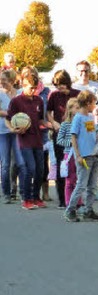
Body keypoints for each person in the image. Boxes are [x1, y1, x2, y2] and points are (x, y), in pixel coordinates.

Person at [5, 71, 47, 210]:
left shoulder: (38, 100)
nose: (33, 90)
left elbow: (41, 119)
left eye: (35, 88)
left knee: (40, 170)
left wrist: (51, 125)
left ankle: (36, 197)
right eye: (30, 87)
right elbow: (7, 119)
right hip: (24, 140)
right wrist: (13, 129)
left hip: (38, 139)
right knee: (30, 168)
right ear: (23, 85)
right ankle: (26, 199)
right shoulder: (16, 101)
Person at [63, 91, 98, 222]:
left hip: (93, 154)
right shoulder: (78, 118)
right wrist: (78, 155)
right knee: (81, 184)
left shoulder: (90, 117)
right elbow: (73, 136)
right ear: (87, 103)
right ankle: (70, 209)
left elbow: (90, 133)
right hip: (84, 156)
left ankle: (88, 209)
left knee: (93, 186)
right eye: (93, 102)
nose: (95, 105)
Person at [48, 70, 80, 209]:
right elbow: (48, 112)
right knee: (63, 165)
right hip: (61, 133)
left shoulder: (77, 94)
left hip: (77, 134)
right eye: (57, 84)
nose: (59, 87)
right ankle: (62, 199)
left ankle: (77, 199)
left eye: (61, 84)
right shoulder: (54, 95)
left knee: (77, 167)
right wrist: (53, 123)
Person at [0, 70, 26, 204]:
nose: (1, 82)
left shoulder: (20, 93)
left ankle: (23, 193)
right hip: (2, 132)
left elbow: (24, 111)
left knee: (21, 162)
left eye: (4, 79)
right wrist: (10, 113)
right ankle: (6, 193)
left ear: (11, 80)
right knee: (5, 164)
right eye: (1, 79)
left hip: (18, 131)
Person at [56, 99, 83, 209]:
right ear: (70, 109)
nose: (78, 110)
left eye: (79, 108)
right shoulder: (65, 124)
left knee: (79, 179)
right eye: (76, 108)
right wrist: (71, 143)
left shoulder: (82, 123)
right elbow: (59, 140)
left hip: (80, 154)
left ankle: (79, 202)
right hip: (69, 155)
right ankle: (68, 202)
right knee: (69, 180)